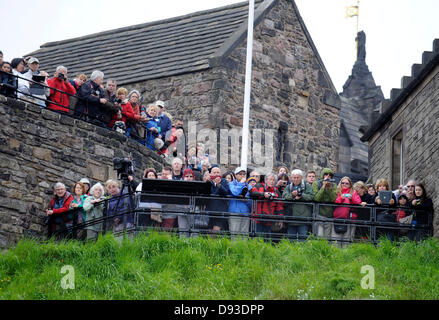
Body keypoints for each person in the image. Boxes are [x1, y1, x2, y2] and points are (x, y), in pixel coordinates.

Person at [250, 173, 284, 239]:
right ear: (266, 180)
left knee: (267, 239)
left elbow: (280, 206)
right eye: (270, 179)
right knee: (257, 238)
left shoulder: (276, 191)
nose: (272, 181)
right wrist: (263, 194)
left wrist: (280, 218)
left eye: (273, 180)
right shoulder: (259, 186)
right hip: (258, 218)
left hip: (269, 219)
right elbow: (252, 193)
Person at [283, 169, 314, 241]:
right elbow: (284, 196)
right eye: (294, 177)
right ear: (291, 178)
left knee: (303, 240)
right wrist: (292, 195)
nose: (296, 179)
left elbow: (311, 197)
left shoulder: (307, 186)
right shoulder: (288, 187)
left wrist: (301, 196)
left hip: (303, 218)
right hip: (291, 217)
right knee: (291, 240)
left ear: (301, 178)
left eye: (298, 177)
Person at [332, 177, 363, 247]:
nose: (344, 184)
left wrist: (352, 199)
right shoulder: (336, 191)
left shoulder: (353, 192)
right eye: (343, 183)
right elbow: (333, 202)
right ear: (340, 183)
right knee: (335, 241)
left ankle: (346, 256)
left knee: (347, 242)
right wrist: (341, 198)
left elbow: (358, 202)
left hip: (350, 220)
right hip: (337, 219)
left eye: (347, 183)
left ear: (350, 185)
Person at [312, 168, 338, 240]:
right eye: (326, 174)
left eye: (330, 175)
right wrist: (323, 187)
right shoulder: (316, 183)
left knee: (327, 239)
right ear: (322, 175)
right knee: (319, 237)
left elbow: (334, 199)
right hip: (319, 214)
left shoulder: (334, 185)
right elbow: (316, 198)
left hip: (329, 215)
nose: (328, 176)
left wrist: (330, 189)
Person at [206, 166, 231, 234]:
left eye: (218, 172)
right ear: (210, 174)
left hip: (220, 211)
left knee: (215, 232)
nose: (216, 174)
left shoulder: (224, 181)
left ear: (221, 174)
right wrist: (206, 182)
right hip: (210, 210)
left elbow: (225, 192)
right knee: (209, 231)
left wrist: (219, 184)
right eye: (214, 172)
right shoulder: (208, 182)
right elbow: (206, 193)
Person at [228, 167, 252, 237]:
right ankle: (234, 248)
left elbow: (251, 200)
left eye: (244, 174)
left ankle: (243, 248)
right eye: (240, 174)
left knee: (244, 235)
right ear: (235, 175)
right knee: (234, 234)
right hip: (234, 212)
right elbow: (235, 192)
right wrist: (241, 183)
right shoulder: (231, 184)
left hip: (245, 212)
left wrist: (246, 200)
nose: (242, 176)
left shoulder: (248, 186)